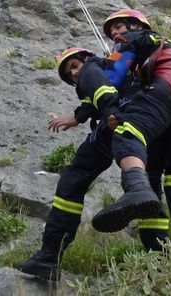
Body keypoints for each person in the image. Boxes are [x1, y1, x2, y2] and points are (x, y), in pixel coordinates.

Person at [90, 8, 171, 281]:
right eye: (111, 31)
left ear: (136, 26)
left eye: (119, 26)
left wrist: (98, 70)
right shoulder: (167, 46)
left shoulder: (135, 38)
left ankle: (135, 189)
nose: (115, 33)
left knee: (127, 130)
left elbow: (113, 76)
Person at [17, 46, 142, 281]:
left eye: (74, 66)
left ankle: (49, 258)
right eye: (68, 74)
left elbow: (103, 93)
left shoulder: (92, 66)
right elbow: (92, 99)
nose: (74, 74)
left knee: (72, 182)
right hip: (138, 123)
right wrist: (77, 118)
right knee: (149, 187)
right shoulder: (109, 73)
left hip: (114, 125)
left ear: (85, 59)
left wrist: (111, 113)